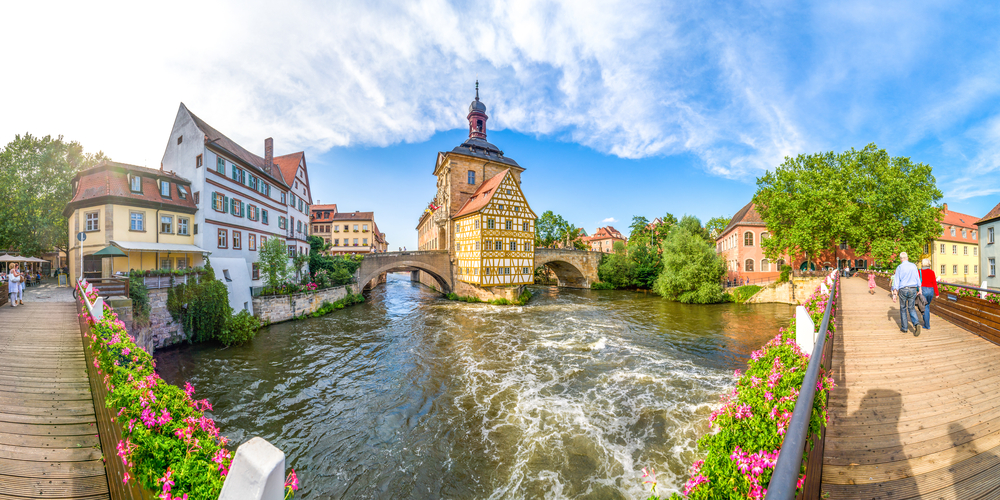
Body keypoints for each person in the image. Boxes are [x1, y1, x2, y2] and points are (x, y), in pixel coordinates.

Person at [891, 252, 922, 335]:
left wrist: (894, 293)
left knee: (903, 308)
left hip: (903, 289)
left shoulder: (899, 267)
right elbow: (917, 278)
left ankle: (904, 328)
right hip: (912, 289)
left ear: (901, 259)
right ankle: (916, 324)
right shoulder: (913, 266)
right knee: (911, 308)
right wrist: (920, 289)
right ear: (907, 258)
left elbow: (896, 281)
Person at [919, 258, 939, 330]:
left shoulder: (919, 271)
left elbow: (917, 282)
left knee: (925, 307)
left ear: (922, 264)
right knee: (927, 306)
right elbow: (934, 283)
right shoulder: (932, 272)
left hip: (923, 290)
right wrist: (937, 293)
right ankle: (927, 324)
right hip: (931, 290)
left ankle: (927, 325)